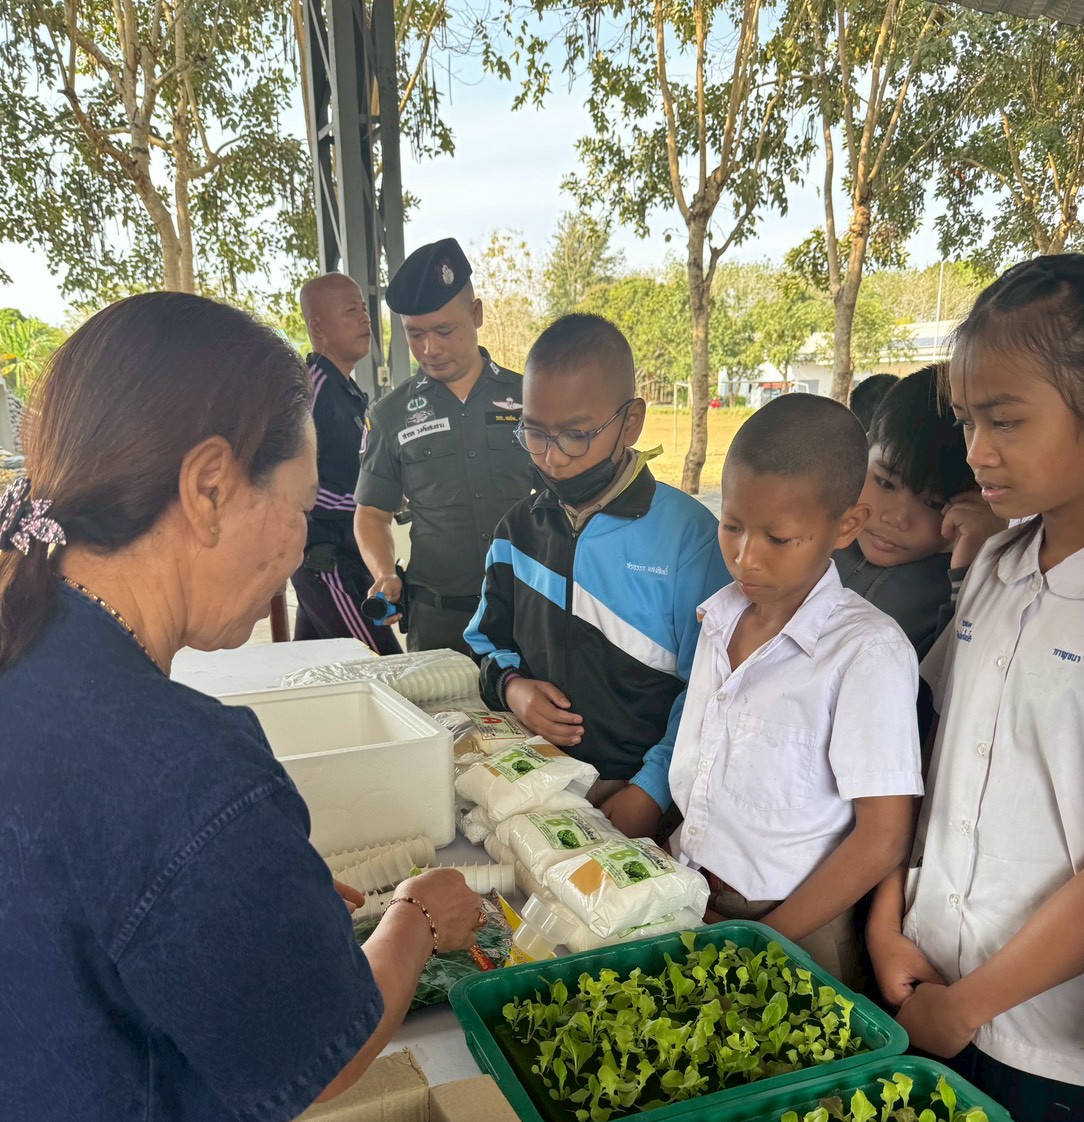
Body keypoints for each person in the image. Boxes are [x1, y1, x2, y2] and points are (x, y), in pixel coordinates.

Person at [0, 292, 484, 1122]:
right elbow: (318, 1053)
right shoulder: (176, 760)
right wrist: (414, 916)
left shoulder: (12, 661)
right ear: (209, 486)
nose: (300, 551)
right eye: (299, 509)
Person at [867, 254, 1084, 1122]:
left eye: (1004, 419)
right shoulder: (994, 569)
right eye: (966, 421)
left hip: (1047, 1052)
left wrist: (971, 1003)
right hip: (930, 983)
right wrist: (889, 920)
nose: (975, 452)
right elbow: (936, 759)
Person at [669, 394, 923, 983]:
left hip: (800, 926)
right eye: (731, 526)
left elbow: (883, 837)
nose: (745, 557)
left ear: (846, 526)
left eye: (779, 539)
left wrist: (765, 943)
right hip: (696, 894)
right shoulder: (721, 619)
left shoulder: (867, 652)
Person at [465, 314, 728, 839]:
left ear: (631, 422)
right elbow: (485, 641)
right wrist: (513, 689)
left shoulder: (691, 539)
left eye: (576, 436)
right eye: (534, 433)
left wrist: (652, 790)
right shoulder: (516, 532)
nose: (551, 458)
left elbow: (714, 689)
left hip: (646, 800)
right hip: (538, 785)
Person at [354, 238, 531, 654]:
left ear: (476, 313)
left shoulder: (530, 398)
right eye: (415, 335)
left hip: (527, 613)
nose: (430, 349)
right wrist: (384, 572)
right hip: (439, 626)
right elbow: (372, 513)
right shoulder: (390, 415)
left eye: (444, 331)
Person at [835, 364, 1003, 658]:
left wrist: (968, 572)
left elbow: (947, 688)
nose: (896, 519)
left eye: (934, 504)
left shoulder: (960, 597)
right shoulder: (812, 536)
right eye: (885, 483)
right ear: (861, 452)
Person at [291, 273, 400, 652]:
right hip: (326, 562)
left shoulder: (349, 391)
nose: (365, 319)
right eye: (351, 310)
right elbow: (292, 487)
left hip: (346, 556)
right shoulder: (312, 391)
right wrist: (373, 501)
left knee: (313, 668)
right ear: (318, 327)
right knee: (382, 663)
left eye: (366, 309)